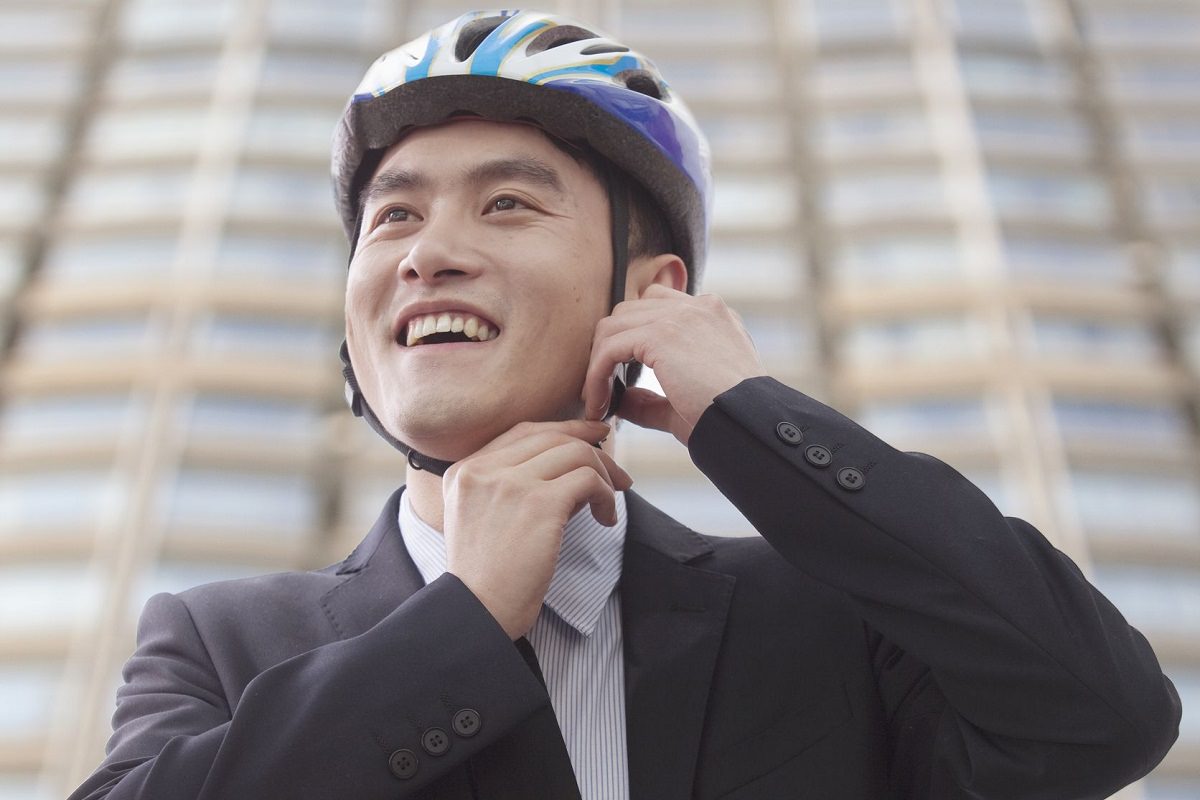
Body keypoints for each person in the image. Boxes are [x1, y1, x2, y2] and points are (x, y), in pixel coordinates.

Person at [70, 10, 1180, 800]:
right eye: (394, 219)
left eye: (506, 203)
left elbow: (1102, 714)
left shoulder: (824, 626)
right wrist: (459, 619)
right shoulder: (218, 641)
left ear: (649, 298)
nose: (430, 254)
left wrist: (748, 416)